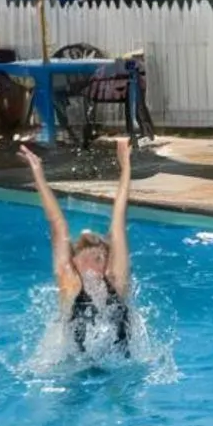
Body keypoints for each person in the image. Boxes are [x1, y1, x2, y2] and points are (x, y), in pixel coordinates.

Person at [22, 138, 134, 354]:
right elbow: (58, 225)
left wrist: (125, 167)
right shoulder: (70, 283)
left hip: (118, 365)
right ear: (75, 262)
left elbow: (118, 221)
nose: (93, 265)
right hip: (76, 367)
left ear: (106, 261)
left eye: (99, 258)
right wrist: (38, 175)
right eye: (87, 258)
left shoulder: (115, 280)